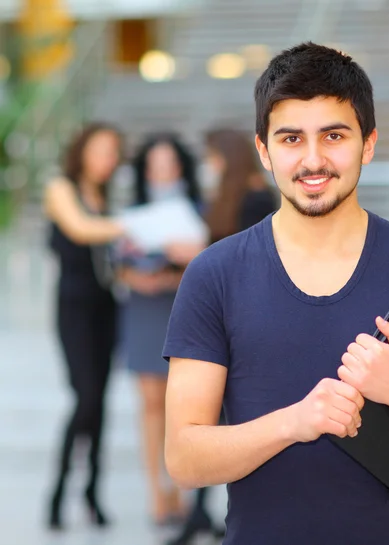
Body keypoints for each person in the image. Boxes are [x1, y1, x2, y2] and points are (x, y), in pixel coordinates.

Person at [162, 43, 389, 545]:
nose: (313, 159)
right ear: (264, 150)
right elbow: (183, 457)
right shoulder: (215, 275)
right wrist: (295, 422)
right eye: (291, 138)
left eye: (334, 135)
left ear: (368, 144)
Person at [166, 128, 276, 545]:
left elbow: (243, 260)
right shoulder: (231, 195)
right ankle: (198, 512)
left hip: (242, 322)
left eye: (213, 157)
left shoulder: (255, 198)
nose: (210, 166)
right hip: (222, 318)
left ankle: (205, 513)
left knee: (229, 420)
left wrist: (195, 256)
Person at [117, 133, 205, 526]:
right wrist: (136, 278)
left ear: (182, 167)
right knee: (150, 404)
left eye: (169, 164)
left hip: (184, 310)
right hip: (145, 310)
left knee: (181, 406)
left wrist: (184, 260)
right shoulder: (132, 211)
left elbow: (212, 258)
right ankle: (156, 493)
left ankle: (179, 493)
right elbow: (116, 262)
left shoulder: (200, 209)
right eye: (156, 165)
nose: (163, 172)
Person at [44, 122, 125, 530]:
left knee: (102, 404)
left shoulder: (105, 195)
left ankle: (93, 493)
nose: (107, 160)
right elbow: (79, 228)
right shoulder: (62, 187)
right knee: (86, 398)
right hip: (73, 308)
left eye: (113, 152)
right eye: (101, 150)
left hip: (106, 307)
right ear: (83, 151)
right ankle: (58, 492)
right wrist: (134, 225)